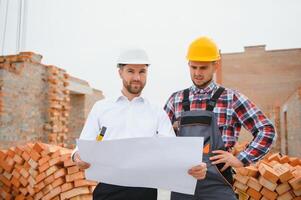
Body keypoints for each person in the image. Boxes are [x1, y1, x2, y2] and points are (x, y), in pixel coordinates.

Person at [72, 48, 207, 200]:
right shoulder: (101, 108)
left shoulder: (156, 111)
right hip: (108, 190)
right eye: (131, 71)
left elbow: (171, 151)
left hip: (145, 192)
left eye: (142, 72)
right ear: (120, 72)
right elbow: (83, 146)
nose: (137, 77)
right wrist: (77, 156)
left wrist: (195, 168)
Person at [164, 37, 276, 200]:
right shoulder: (176, 99)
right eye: (193, 67)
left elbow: (266, 130)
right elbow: (158, 137)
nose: (197, 73)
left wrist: (240, 159)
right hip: (183, 185)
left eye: (203, 68)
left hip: (218, 185)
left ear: (215, 66)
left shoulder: (231, 98)